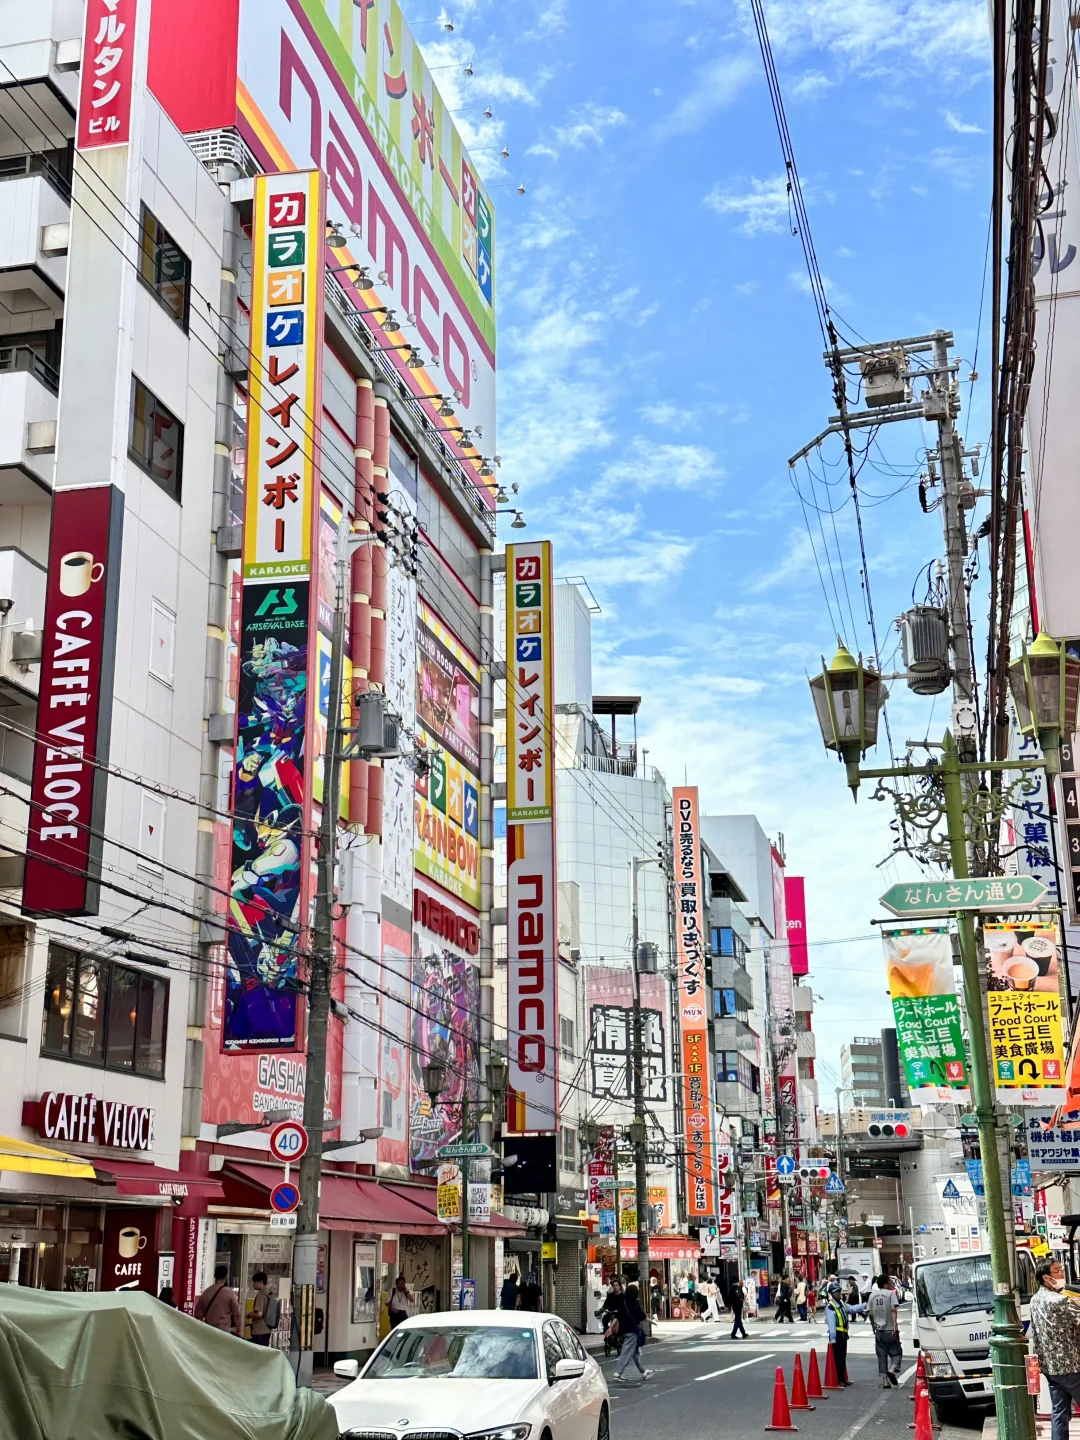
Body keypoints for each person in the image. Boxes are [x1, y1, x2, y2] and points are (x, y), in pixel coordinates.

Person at [1030, 1257, 1080, 1440]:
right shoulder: (1061, 1301)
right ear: (1046, 1277)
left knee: (1060, 1412)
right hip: (1071, 1366)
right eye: (1057, 1271)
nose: (1062, 1273)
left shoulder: (1035, 1301)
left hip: (1050, 1368)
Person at [825, 1279, 865, 1385]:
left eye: (839, 1291)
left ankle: (842, 1378)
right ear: (832, 1294)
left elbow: (852, 1309)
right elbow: (832, 1325)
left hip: (843, 1334)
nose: (839, 1293)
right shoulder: (830, 1307)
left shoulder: (841, 1303)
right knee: (838, 1358)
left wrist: (864, 1305)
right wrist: (832, 1340)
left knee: (843, 1357)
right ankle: (839, 1379)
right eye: (836, 1292)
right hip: (837, 1335)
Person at [612, 1282, 653, 1383]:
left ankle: (643, 1372)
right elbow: (642, 1316)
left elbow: (617, 1317)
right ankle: (618, 1373)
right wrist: (652, 1322)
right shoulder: (635, 1304)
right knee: (626, 1353)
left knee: (635, 1353)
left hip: (624, 1331)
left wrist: (610, 1328)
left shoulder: (624, 1303)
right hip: (632, 1332)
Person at [867, 1273, 902, 1387]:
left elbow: (870, 1313)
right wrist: (895, 1326)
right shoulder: (891, 1294)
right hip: (889, 1329)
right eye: (890, 1281)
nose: (891, 1283)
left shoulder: (872, 1295)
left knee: (881, 1355)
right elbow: (893, 1310)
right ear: (885, 1283)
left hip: (879, 1330)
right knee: (897, 1353)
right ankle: (892, 1370)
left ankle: (885, 1382)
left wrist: (873, 1326)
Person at [195, 1263, 241, 1336]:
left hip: (208, 1331)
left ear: (214, 1276)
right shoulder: (230, 1293)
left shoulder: (206, 1292)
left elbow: (198, 1316)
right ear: (226, 1277)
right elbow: (237, 1315)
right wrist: (239, 1331)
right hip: (224, 1332)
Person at [249, 1271, 275, 1346]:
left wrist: (249, 1314)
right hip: (267, 1329)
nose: (253, 1284)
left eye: (254, 1282)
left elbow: (259, 1314)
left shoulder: (261, 1295)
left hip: (259, 1330)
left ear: (260, 1282)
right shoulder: (270, 1293)